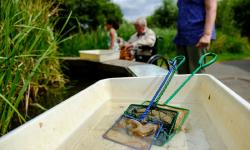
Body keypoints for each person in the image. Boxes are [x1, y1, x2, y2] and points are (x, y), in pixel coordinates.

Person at [174, 0, 217, 74]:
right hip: (182, 37)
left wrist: (207, 35)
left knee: (196, 74)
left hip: (197, 36)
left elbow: (211, 8)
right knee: (182, 75)